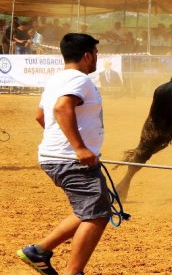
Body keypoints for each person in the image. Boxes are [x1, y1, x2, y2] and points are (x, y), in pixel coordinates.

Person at [18, 33, 111, 275]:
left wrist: (63, 144)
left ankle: (39, 251)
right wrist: (78, 148)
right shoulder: (79, 80)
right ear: (87, 55)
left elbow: (41, 116)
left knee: (90, 209)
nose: (97, 59)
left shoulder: (56, 80)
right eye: (96, 54)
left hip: (57, 158)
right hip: (71, 161)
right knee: (97, 216)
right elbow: (61, 108)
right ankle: (74, 272)